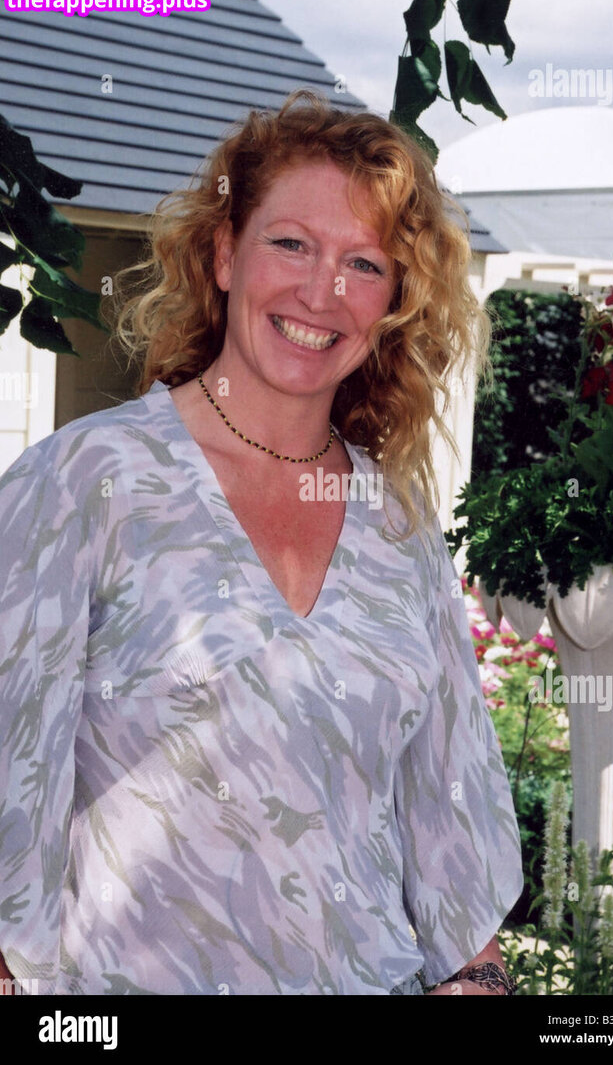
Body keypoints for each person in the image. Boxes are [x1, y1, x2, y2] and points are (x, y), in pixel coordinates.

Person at [0, 89, 523, 996]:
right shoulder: (85, 483)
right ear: (222, 253)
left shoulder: (398, 525)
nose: (322, 292)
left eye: (364, 263)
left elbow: (453, 820)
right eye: (291, 244)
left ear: (393, 301)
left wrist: (479, 987)